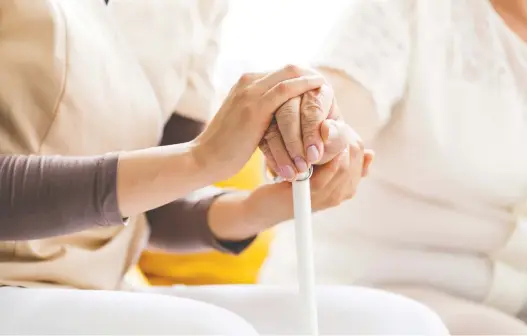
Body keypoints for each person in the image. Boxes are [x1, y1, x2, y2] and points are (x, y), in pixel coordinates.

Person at [0, 0, 448, 334]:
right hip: (11, 283)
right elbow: (189, 161)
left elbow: (159, 210)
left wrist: (268, 204)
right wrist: (198, 160)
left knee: (399, 325)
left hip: (102, 286)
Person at [259, 0, 527, 334]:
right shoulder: (411, 11)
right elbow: (342, 101)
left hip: (505, 305)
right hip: (367, 287)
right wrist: (321, 131)